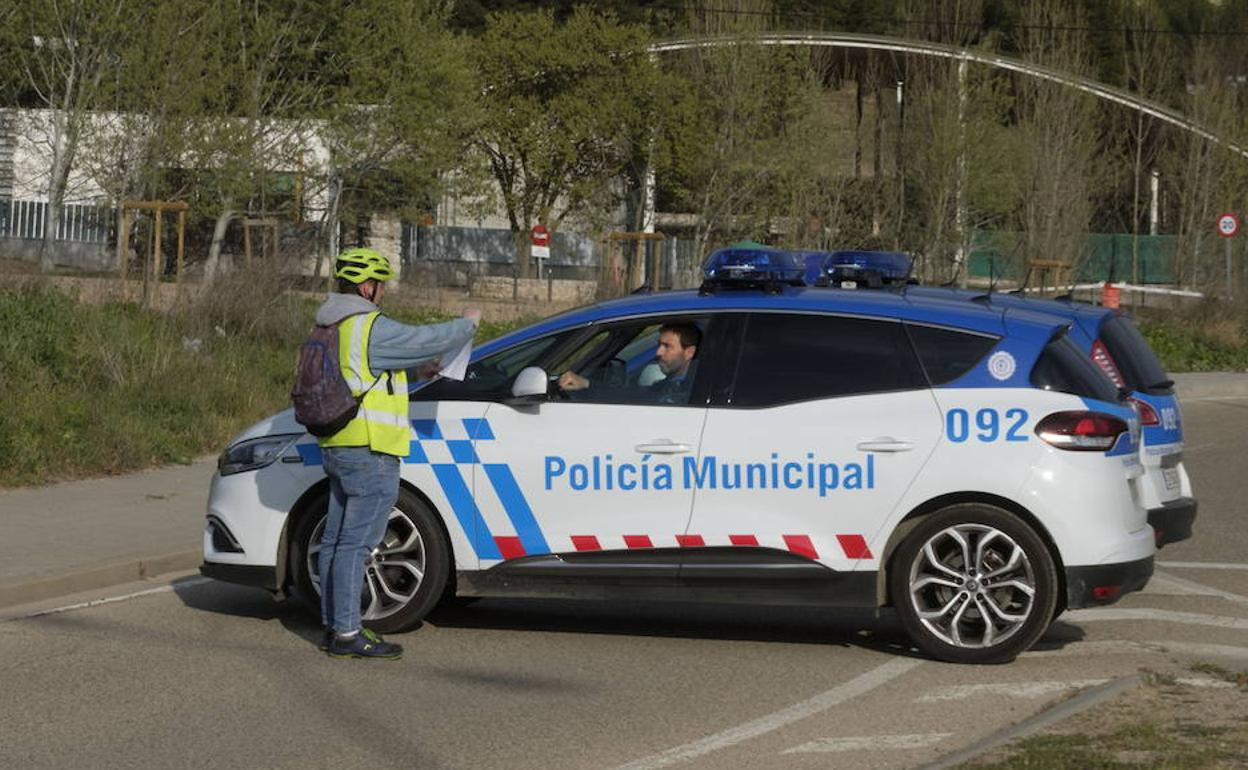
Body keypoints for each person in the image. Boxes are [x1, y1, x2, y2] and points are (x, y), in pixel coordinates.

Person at [315, 247, 479, 660]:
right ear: (368, 286)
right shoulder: (368, 324)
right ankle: (350, 634)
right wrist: (465, 326)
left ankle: (334, 626)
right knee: (357, 545)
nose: (382, 292)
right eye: (380, 285)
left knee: (336, 542)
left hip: (338, 443)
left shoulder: (330, 322)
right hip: (370, 449)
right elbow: (425, 339)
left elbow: (362, 371)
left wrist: (414, 371)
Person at [557, 322, 700, 404]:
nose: (658, 352)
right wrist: (587, 385)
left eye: (667, 346)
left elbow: (639, 398)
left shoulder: (690, 389)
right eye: (659, 345)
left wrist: (589, 387)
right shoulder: (671, 385)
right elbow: (634, 395)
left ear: (689, 352)